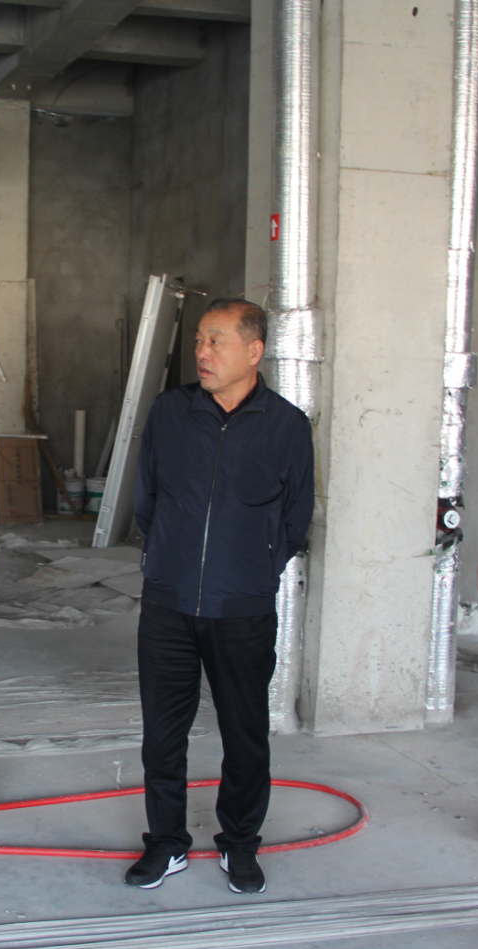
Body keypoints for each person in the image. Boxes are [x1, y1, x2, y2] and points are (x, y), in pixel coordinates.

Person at [123, 298, 314, 895]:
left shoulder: (287, 426)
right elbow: (146, 498)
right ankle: (166, 844)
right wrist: (169, 558)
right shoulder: (171, 411)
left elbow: (295, 519)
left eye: (216, 341)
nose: (202, 352)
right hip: (169, 603)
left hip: (242, 609)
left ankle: (240, 843)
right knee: (162, 735)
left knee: (245, 735)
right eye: (200, 340)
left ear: (254, 351)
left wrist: (252, 571)